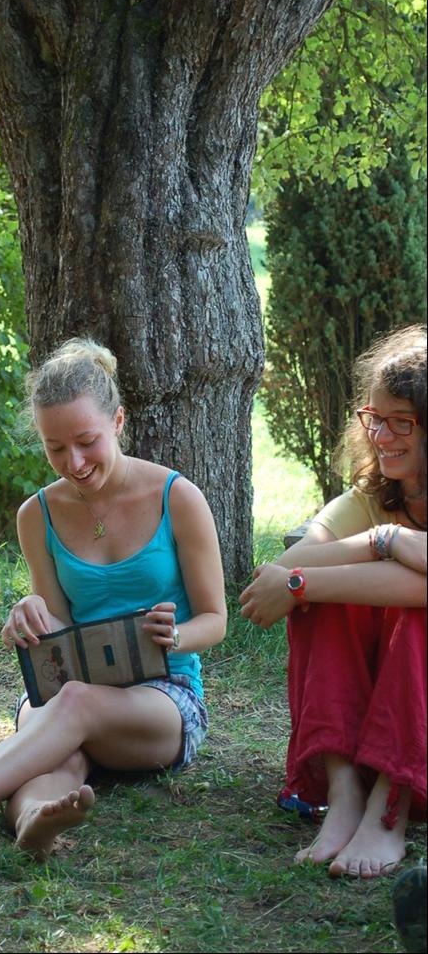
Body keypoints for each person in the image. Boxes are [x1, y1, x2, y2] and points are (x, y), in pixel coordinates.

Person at [0, 338, 227, 858]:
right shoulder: (37, 515)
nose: (73, 462)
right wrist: (32, 616)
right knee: (57, 732)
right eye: (55, 448)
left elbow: (215, 619)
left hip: (164, 700)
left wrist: (177, 635)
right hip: (74, 692)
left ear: (118, 421)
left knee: (70, 705)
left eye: (87, 441)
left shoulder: (177, 498)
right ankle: (33, 819)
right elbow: (60, 627)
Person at [239, 324, 427, 879]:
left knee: (416, 617)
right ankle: (345, 792)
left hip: (418, 742)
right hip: (378, 733)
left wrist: (382, 542)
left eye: (402, 422)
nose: (383, 436)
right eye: (375, 419)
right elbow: (290, 564)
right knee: (318, 597)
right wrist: (372, 545)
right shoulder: (374, 495)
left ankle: (388, 809)